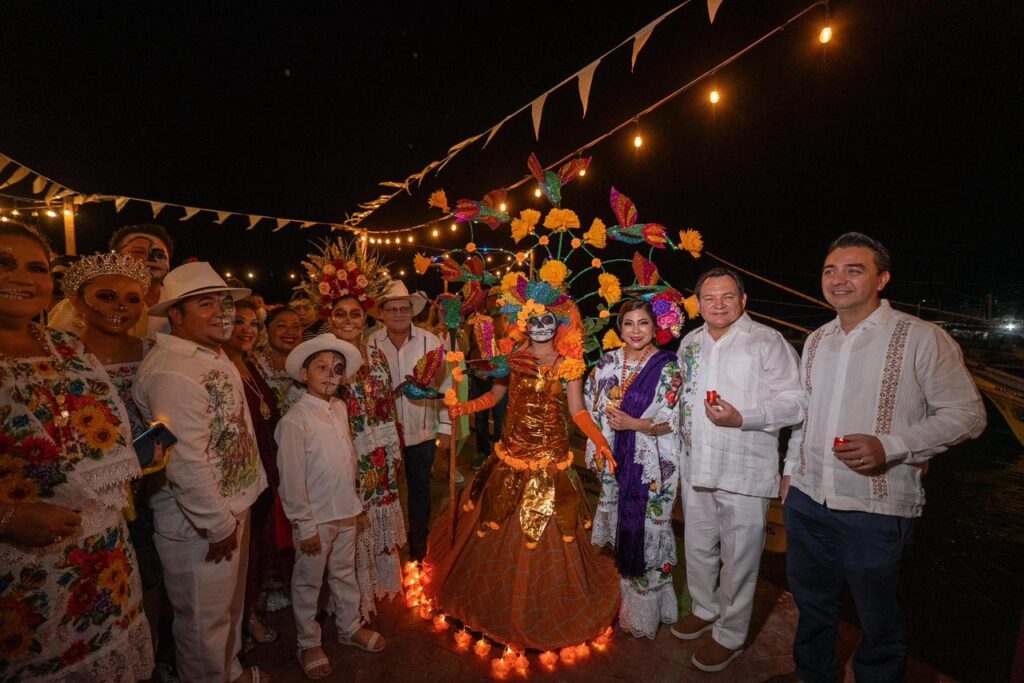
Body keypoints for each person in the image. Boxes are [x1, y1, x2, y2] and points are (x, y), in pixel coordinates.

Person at [780, 233, 986, 683]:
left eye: (854, 269)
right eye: (830, 270)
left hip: (875, 507)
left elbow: (968, 416)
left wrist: (889, 446)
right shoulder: (816, 340)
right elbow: (804, 414)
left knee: (878, 619)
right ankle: (812, 675)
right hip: (808, 501)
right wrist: (790, 471)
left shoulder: (923, 339)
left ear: (882, 279)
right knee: (811, 604)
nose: (838, 279)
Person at [422, 270, 620, 651]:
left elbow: (578, 412)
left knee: (548, 532)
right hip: (510, 455)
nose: (542, 326)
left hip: (549, 462)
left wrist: (600, 441)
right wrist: (464, 407)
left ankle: (544, 605)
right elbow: (495, 397)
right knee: (497, 522)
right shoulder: (510, 359)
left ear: (559, 324)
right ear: (523, 323)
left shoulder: (569, 363)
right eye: (535, 320)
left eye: (549, 320)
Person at [0, 221, 154, 682]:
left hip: (104, 552)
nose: (22, 277)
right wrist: (7, 517)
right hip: (22, 565)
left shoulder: (67, 346)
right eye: (3, 264)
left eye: (35, 267)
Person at [133, 261, 269, 683]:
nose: (222, 313)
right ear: (176, 314)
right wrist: (215, 524)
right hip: (200, 523)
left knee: (225, 610)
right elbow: (186, 461)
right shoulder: (173, 371)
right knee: (201, 623)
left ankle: (228, 671)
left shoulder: (209, 353)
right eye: (206, 304)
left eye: (224, 303)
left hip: (230, 507)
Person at [670, 268, 805, 672]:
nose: (718, 305)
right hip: (695, 465)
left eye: (727, 296)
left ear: (743, 300)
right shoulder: (689, 344)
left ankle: (729, 634)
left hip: (744, 468)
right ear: (698, 304)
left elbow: (797, 402)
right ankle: (704, 607)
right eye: (709, 298)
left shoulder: (767, 342)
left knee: (740, 557)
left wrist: (744, 417)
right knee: (696, 545)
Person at [62, 251, 179, 679]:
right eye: (107, 297)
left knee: (153, 575)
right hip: (93, 494)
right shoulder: (63, 356)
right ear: (78, 300)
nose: (121, 309)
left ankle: (150, 659)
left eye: (132, 300)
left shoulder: (153, 351)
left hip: (155, 484)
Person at [276, 334, 385, 680]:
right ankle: (308, 641)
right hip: (316, 519)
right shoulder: (296, 420)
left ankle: (349, 626)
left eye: (336, 369)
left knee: (343, 573)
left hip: (345, 511)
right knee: (309, 581)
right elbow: (291, 479)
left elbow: (346, 460)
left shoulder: (337, 407)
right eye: (321, 368)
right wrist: (304, 524)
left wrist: (355, 502)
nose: (330, 375)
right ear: (304, 372)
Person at [584, 298, 684, 640]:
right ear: (619, 328)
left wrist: (635, 424)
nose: (636, 330)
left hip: (654, 464)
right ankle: (622, 603)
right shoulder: (607, 363)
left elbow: (673, 421)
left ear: (655, 328)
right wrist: (601, 443)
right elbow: (591, 408)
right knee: (620, 530)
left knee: (649, 531)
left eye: (643, 323)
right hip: (615, 460)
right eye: (629, 323)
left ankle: (647, 611)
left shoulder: (668, 366)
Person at [328, 294, 407, 618]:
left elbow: (387, 402)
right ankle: (349, 596)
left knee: (378, 515)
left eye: (355, 314)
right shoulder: (325, 357)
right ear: (331, 318)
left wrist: (394, 449)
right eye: (340, 314)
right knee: (352, 522)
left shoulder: (377, 355)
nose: (348, 320)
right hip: (345, 453)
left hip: (380, 451)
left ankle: (379, 583)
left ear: (365, 319)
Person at [367, 280, 452, 561]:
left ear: (412, 311)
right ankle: (384, 550)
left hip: (422, 433)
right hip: (383, 433)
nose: (399, 314)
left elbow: (446, 385)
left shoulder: (431, 342)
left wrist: (448, 428)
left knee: (419, 489)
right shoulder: (370, 344)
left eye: (404, 309)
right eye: (392, 309)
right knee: (383, 493)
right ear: (382, 313)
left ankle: (418, 548)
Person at [223, 299, 283, 651]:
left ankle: (247, 615)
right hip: (244, 474)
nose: (247, 329)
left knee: (258, 548)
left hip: (267, 469)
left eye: (252, 323)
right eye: (237, 322)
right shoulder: (221, 368)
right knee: (242, 556)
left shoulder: (249, 366)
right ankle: (240, 624)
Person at [48, 223, 174, 339]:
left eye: (160, 255)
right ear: (116, 258)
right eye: (138, 252)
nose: (151, 258)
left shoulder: (179, 299)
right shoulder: (80, 304)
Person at [255, 306, 303, 414]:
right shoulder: (254, 365)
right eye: (282, 326)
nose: (290, 332)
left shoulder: (309, 366)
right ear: (266, 329)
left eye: (296, 327)